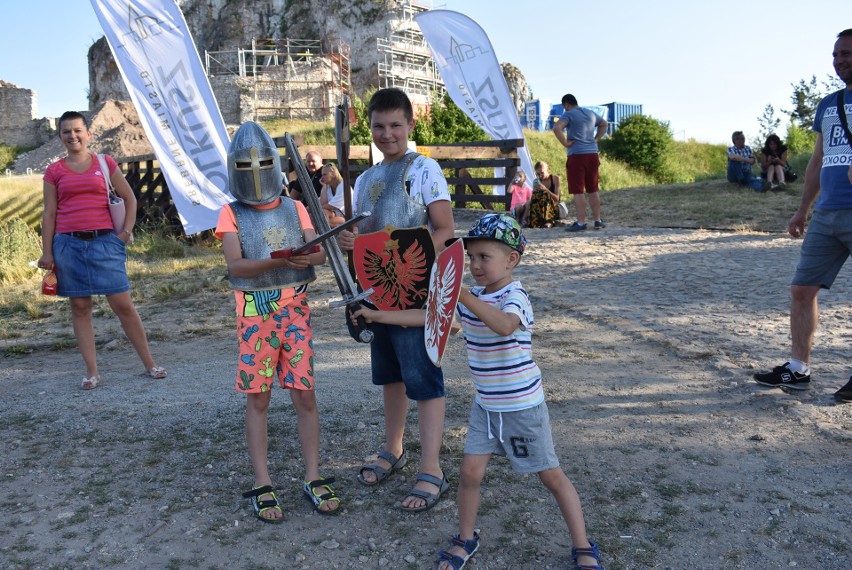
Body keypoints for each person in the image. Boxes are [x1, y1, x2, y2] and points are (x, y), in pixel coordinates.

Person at [352, 214, 603, 570]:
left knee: (550, 476)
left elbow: (503, 326)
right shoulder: (471, 297)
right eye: (470, 258)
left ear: (511, 260)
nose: (474, 265)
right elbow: (426, 317)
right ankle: (465, 538)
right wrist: (377, 316)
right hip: (486, 407)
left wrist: (462, 293)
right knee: (469, 474)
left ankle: (582, 545)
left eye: (484, 257)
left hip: (522, 408)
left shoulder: (515, 295)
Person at [214, 121, 340, 521]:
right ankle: (262, 483)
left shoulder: (296, 206)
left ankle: (314, 476)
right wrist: (280, 258)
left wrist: (306, 256)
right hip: (256, 318)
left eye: (262, 161)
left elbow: (317, 253)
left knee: (304, 394)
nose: (255, 170)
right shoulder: (230, 213)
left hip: (296, 313)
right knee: (259, 398)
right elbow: (237, 264)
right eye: (246, 164)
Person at [338, 87, 455, 511]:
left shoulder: (424, 169)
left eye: (395, 125)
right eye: (378, 126)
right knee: (390, 375)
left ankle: (432, 468)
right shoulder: (366, 179)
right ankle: (394, 448)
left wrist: (408, 263)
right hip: (375, 295)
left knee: (423, 378)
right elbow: (362, 234)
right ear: (369, 129)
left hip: (414, 294)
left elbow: (443, 229)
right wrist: (353, 240)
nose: (387, 134)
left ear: (409, 126)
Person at [753, 29, 852, 404]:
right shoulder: (829, 105)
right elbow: (817, 160)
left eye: (847, 53)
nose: (840, 60)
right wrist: (802, 209)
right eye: (836, 54)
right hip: (827, 213)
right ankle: (798, 368)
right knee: (801, 289)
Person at [37, 111, 165, 390]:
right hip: (68, 245)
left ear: (88, 133)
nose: (72, 136)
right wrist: (47, 253)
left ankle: (150, 363)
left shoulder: (105, 163)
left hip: (106, 243)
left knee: (124, 306)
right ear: (60, 137)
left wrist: (124, 234)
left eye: (77, 130)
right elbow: (49, 213)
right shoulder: (54, 171)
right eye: (66, 132)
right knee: (81, 308)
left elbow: (129, 198)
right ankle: (92, 372)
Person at [552, 94, 607, 232]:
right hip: (593, 154)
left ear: (566, 104)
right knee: (593, 189)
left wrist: (565, 143)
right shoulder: (590, 113)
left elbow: (557, 128)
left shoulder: (569, 114)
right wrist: (596, 139)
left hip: (577, 155)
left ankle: (581, 223)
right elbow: (604, 124)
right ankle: (597, 220)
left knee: (578, 190)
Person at [527, 160, 561, 228]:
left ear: (548, 169)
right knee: (535, 195)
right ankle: (534, 221)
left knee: (545, 194)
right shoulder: (536, 181)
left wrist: (546, 189)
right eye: (538, 174)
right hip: (540, 207)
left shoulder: (555, 179)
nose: (540, 176)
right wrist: (534, 191)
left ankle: (549, 221)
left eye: (542, 173)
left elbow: (557, 199)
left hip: (553, 207)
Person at [318, 162, 350, 227]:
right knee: (324, 212)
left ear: (333, 174)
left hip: (346, 217)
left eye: (324, 175)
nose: (322, 178)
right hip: (334, 214)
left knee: (321, 222)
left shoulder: (343, 186)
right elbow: (322, 203)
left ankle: (325, 234)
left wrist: (315, 208)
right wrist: (324, 186)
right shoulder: (328, 186)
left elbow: (331, 206)